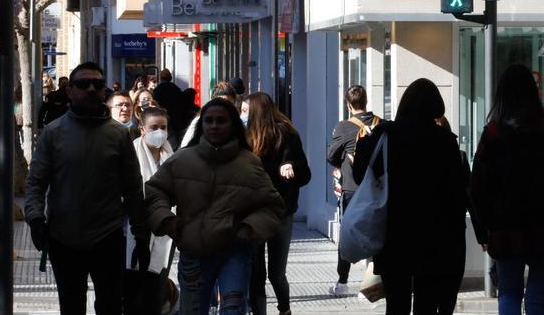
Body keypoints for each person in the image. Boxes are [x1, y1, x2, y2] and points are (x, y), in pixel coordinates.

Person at [25, 62, 150, 315]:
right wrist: (35, 218)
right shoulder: (53, 133)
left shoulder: (118, 135)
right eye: (83, 84)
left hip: (108, 237)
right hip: (63, 238)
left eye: (97, 84)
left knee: (110, 305)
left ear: (104, 90)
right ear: (70, 90)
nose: (91, 89)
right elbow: (36, 182)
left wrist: (141, 235)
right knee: (71, 307)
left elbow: (133, 188)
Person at [145, 99, 286, 315]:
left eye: (221, 121)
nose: (214, 126)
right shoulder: (182, 160)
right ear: (201, 124)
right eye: (209, 120)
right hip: (194, 251)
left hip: (235, 251)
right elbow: (155, 191)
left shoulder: (248, 163)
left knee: (233, 309)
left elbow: (272, 205)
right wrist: (167, 220)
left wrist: (249, 229)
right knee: (192, 309)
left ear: (233, 125)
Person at [470, 65, 544, 315]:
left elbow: (478, 188)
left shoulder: (493, 135)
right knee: (538, 298)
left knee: (509, 294)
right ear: (534, 93)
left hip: (506, 229)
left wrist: (485, 230)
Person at [352, 78, 469, 315]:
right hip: (433, 236)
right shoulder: (445, 141)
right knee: (427, 303)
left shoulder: (384, 135)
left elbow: (359, 175)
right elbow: (456, 192)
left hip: (394, 234)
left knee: (396, 303)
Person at [245, 92, 311, 315]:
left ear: (256, 112)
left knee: (276, 272)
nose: (242, 116)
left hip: (280, 213)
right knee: (256, 273)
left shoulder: (286, 134)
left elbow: (305, 173)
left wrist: (292, 167)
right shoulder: (244, 138)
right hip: (252, 215)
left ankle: (284, 309)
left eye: (246, 111)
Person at [326, 85, 384, 295]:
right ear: (366, 102)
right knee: (375, 232)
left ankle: (342, 282)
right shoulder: (382, 125)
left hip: (352, 189)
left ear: (349, 105)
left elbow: (331, 156)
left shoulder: (343, 127)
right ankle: (371, 286)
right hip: (377, 189)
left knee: (349, 234)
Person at [123, 107, 177, 315]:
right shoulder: (131, 154)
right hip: (135, 230)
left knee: (156, 286)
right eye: (154, 127)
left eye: (163, 127)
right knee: (133, 288)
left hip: (165, 230)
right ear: (142, 129)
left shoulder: (170, 154)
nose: (160, 132)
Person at [180, 81, 239, 148]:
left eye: (228, 105)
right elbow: (185, 146)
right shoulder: (199, 120)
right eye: (219, 103)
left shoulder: (237, 122)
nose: (214, 126)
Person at [153, 69, 189, 143]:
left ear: (160, 78)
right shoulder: (176, 89)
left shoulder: (157, 90)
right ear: (170, 78)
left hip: (162, 118)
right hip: (175, 120)